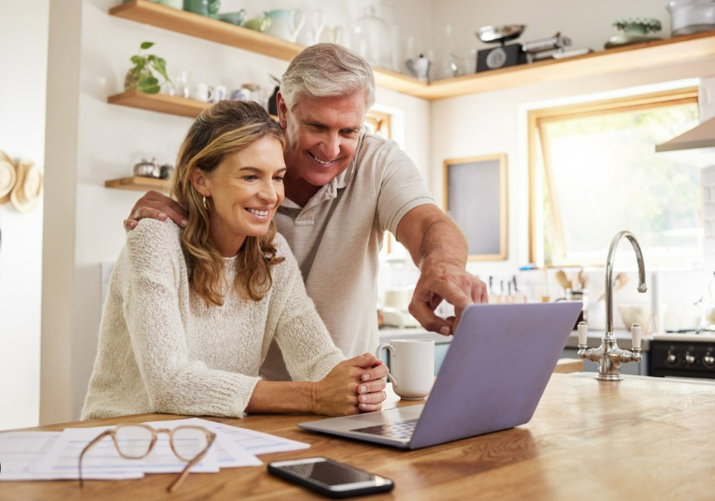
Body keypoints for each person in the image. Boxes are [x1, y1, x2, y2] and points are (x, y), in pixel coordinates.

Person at [123, 44, 487, 381]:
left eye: (349, 130)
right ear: (283, 109)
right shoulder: (237, 171)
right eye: (317, 126)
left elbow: (428, 224)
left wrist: (442, 267)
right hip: (240, 400)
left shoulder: (378, 163)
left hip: (332, 391)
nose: (332, 148)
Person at [82, 100, 387, 420]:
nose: (271, 195)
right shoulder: (155, 241)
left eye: (277, 177)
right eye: (251, 176)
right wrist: (314, 396)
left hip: (216, 439)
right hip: (124, 441)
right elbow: (170, 385)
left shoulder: (273, 253)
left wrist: (357, 382)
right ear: (201, 180)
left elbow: (317, 361)